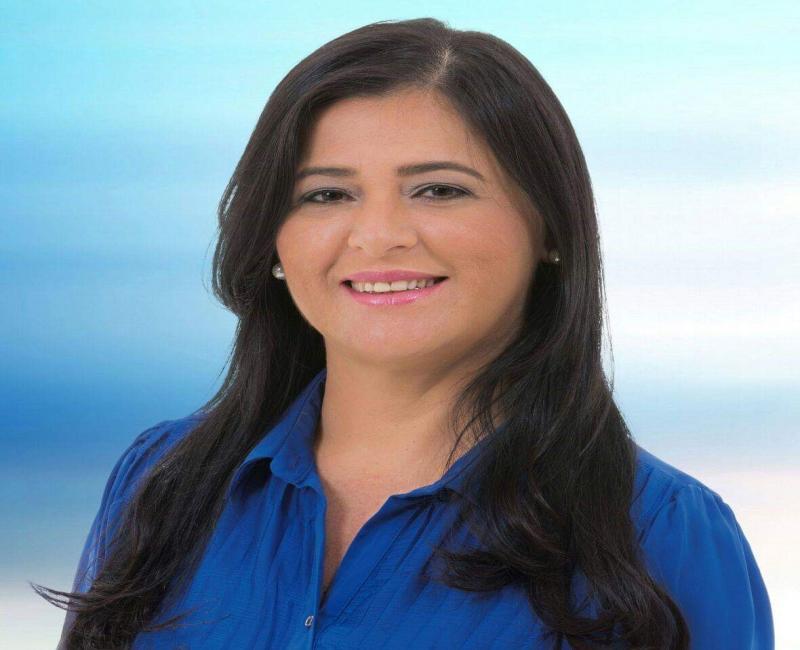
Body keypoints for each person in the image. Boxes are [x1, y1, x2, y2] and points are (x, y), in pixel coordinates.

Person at [37, 17, 773, 649]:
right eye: (327, 194)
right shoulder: (163, 480)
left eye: (439, 190)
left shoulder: (662, 533)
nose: (378, 235)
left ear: (550, 229)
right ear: (273, 241)